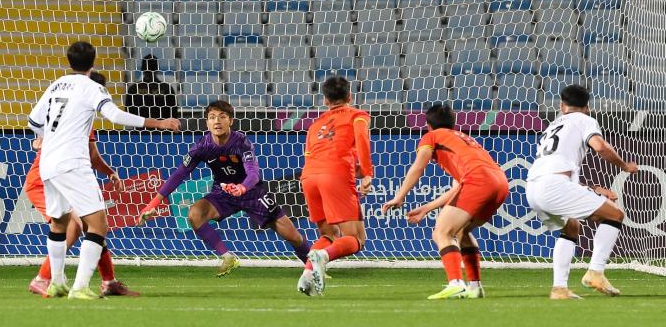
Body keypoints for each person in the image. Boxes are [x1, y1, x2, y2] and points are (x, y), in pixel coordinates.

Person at [28, 41, 180, 300]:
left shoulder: (56, 84)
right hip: (72, 163)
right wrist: (158, 123)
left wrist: (45, 136)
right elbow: (116, 116)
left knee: (60, 223)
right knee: (98, 225)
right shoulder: (92, 87)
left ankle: (56, 283)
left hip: (48, 163)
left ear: (69, 60)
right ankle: (80, 288)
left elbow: (33, 120)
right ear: (93, 60)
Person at [138, 100, 311, 276]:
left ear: (231, 121)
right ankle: (228, 257)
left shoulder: (241, 142)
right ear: (206, 122)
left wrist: (242, 188)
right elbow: (179, 174)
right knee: (195, 214)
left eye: (222, 117)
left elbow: (253, 173)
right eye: (212, 117)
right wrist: (153, 204)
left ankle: (313, 268)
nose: (217, 121)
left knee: (294, 237)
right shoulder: (202, 146)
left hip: (251, 193)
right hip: (223, 193)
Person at [25, 71, 139, 298]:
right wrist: (111, 172)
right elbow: (92, 155)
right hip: (43, 181)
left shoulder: (73, 113)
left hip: (55, 176)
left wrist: (110, 172)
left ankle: (108, 282)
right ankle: (43, 279)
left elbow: (89, 153)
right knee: (79, 226)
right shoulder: (79, 114)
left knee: (88, 226)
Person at [382, 103, 509, 300]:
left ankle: (456, 284)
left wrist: (400, 196)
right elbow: (457, 189)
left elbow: (418, 167)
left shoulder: (432, 136)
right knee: (461, 231)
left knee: (441, 233)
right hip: (500, 183)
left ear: (428, 126)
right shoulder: (465, 139)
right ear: (453, 123)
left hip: (478, 181)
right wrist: (427, 208)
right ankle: (475, 287)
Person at [525, 84, 638, 300]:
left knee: (571, 227)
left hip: (533, 187)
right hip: (554, 185)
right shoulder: (584, 120)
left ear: (561, 106)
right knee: (615, 215)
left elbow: (558, 172)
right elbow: (600, 147)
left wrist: (593, 189)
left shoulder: (553, 126)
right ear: (587, 107)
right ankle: (595, 272)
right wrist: (625, 166)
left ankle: (559, 289)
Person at [296, 76, 374, 297]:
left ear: (325, 100)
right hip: (335, 176)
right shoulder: (358, 116)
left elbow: (312, 154)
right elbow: (362, 140)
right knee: (356, 238)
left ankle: (307, 274)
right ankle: (324, 257)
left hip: (309, 177)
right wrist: (367, 173)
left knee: (329, 234)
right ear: (349, 96)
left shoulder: (314, 125)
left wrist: (351, 169)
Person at [124, 54, 178, 120]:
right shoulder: (167, 89)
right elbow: (174, 115)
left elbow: (128, 114)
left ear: (142, 69)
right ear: (157, 69)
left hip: (141, 126)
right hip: (162, 126)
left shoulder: (133, 89)